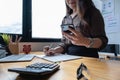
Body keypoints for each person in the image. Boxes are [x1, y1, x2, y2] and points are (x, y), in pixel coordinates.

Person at [43, 0, 108, 58]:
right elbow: (65, 44)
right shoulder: (65, 19)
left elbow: (103, 41)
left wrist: (85, 41)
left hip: (89, 58)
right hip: (69, 59)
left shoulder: (93, 13)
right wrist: (54, 50)